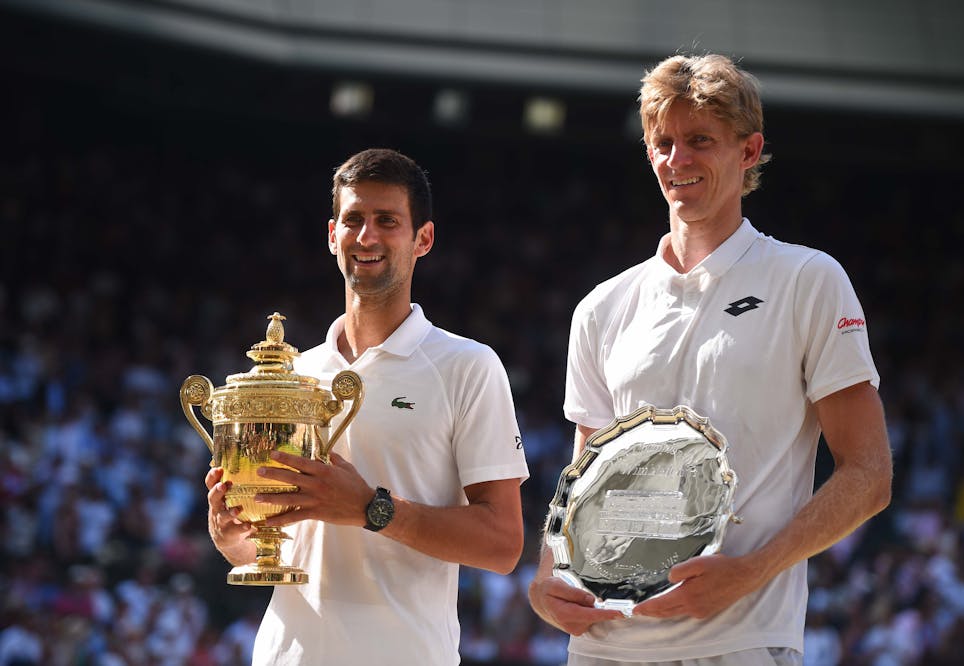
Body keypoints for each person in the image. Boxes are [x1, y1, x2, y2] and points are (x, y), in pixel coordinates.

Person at [528, 53, 893, 665]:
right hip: (604, 646)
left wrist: (749, 571)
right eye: (663, 143)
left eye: (700, 140)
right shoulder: (601, 306)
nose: (679, 160)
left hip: (741, 640)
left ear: (749, 152)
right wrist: (547, 575)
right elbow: (586, 472)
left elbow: (869, 474)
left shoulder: (808, 279)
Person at [205, 148, 529, 665]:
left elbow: (503, 544)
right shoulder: (293, 375)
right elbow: (281, 547)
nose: (367, 237)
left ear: (423, 238)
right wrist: (235, 535)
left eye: (387, 221)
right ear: (332, 234)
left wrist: (371, 510)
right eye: (353, 220)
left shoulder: (468, 366)